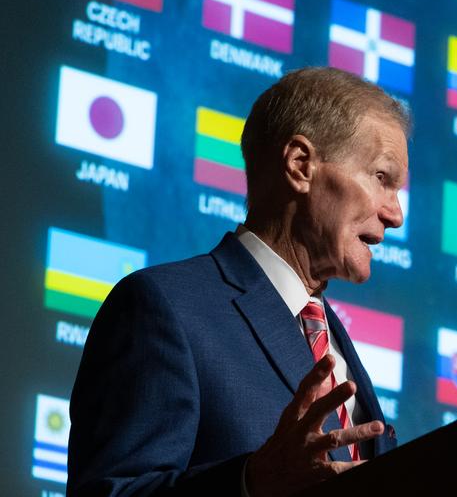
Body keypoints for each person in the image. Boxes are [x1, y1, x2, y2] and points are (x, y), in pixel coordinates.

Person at [68, 67, 410, 496]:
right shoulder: (162, 308)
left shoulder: (330, 335)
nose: (395, 214)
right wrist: (250, 482)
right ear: (301, 166)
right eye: (382, 178)